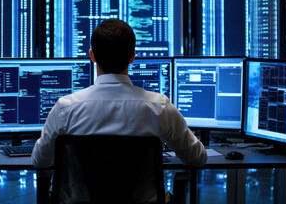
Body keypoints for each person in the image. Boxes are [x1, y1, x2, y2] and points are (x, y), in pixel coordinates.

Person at [31, 19, 207, 202]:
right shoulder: (159, 107)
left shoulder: (66, 108)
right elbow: (198, 158)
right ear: (132, 57)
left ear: (92, 55)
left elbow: (40, 161)